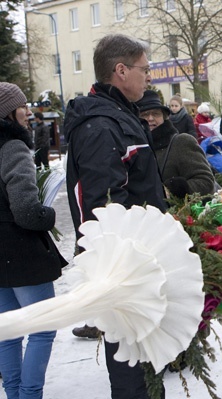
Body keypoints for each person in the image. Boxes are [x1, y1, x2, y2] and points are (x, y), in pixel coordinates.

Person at [63, 34, 167, 399]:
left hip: (142, 262)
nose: (148, 77)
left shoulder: (118, 115)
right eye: (145, 69)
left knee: (147, 366)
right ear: (120, 71)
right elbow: (104, 208)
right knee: (133, 375)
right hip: (125, 271)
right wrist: (135, 261)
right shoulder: (100, 125)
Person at [0, 82, 67, 399]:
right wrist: (49, 216)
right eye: (22, 105)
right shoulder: (12, 147)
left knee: (8, 332)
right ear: (9, 113)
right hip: (22, 253)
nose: (28, 111)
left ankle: (14, 394)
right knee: (42, 328)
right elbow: (26, 211)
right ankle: (28, 396)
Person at [136, 89, 215, 197]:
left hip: (177, 213)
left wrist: (178, 189)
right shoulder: (132, 147)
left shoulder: (181, 143)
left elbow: (206, 181)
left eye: (156, 114)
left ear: (164, 117)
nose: (150, 118)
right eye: (144, 114)